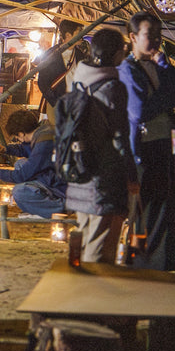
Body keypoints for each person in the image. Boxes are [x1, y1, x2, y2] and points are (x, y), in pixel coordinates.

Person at [118, 12, 175, 270]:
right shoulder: (127, 69)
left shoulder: (159, 63)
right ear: (133, 37)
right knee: (148, 209)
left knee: (167, 207)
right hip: (144, 146)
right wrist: (166, 98)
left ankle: (164, 264)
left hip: (166, 142)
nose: (156, 42)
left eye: (159, 36)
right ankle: (142, 263)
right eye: (150, 36)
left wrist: (164, 66)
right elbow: (138, 110)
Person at [61, 28, 136, 263]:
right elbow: (120, 136)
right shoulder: (113, 87)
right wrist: (131, 175)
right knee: (100, 250)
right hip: (105, 176)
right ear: (117, 54)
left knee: (84, 240)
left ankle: (78, 292)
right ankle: (93, 295)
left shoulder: (78, 80)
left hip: (80, 172)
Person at [0, 109, 66, 218]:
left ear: (21, 133)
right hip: (54, 177)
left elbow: (21, 176)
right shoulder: (43, 132)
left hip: (62, 187)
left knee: (19, 192)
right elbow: (25, 149)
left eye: (17, 137)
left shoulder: (44, 142)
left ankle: (57, 208)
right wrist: (4, 149)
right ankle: (40, 204)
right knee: (21, 163)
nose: (18, 140)